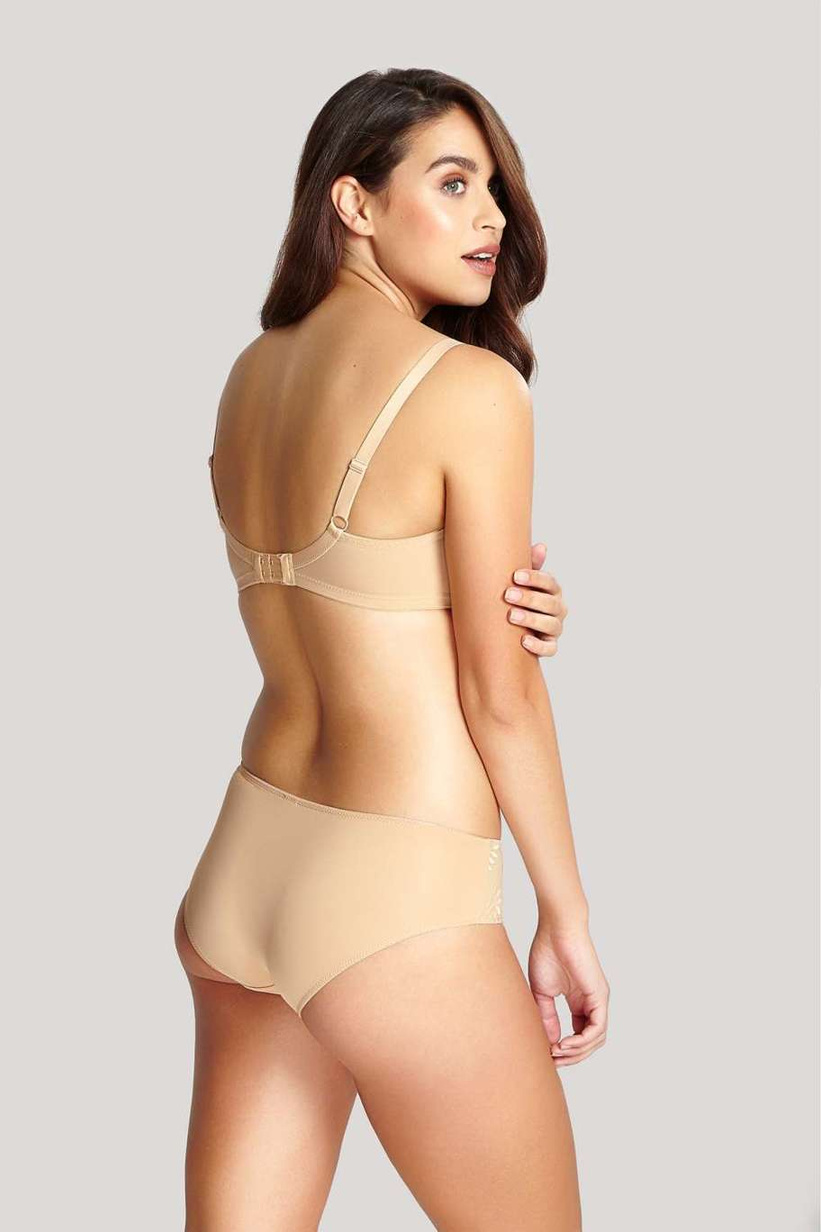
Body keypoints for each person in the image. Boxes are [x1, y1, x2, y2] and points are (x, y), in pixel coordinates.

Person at [175, 67, 608, 1232]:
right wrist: (564, 914)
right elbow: (497, 693)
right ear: (354, 202)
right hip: (395, 897)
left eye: (494, 190)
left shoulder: (250, 375)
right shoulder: (471, 390)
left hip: (244, 870)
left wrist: (499, 607)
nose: (490, 217)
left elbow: (350, 598)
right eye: (452, 183)